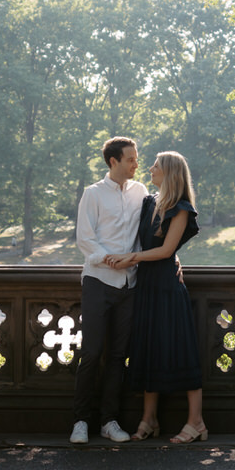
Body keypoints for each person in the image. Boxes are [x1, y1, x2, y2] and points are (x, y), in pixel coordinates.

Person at [109, 150, 206, 444]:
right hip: (146, 286)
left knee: (181, 351)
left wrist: (132, 258)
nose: (149, 168)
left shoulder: (182, 207)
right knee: (148, 351)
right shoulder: (149, 202)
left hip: (166, 289)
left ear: (170, 172)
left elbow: (166, 251)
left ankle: (196, 422)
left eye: (155, 165)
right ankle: (149, 419)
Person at [71, 136, 148, 444]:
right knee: (91, 353)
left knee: (118, 356)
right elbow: (84, 238)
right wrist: (107, 258)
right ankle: (80, 421)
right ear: (113, 161)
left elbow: (148, 234)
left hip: (129, 283)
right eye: (130, 159)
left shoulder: (141, 192)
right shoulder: (93, 194)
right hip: (98, 281)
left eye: (136, 158)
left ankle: (109, 421)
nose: (135, 164)